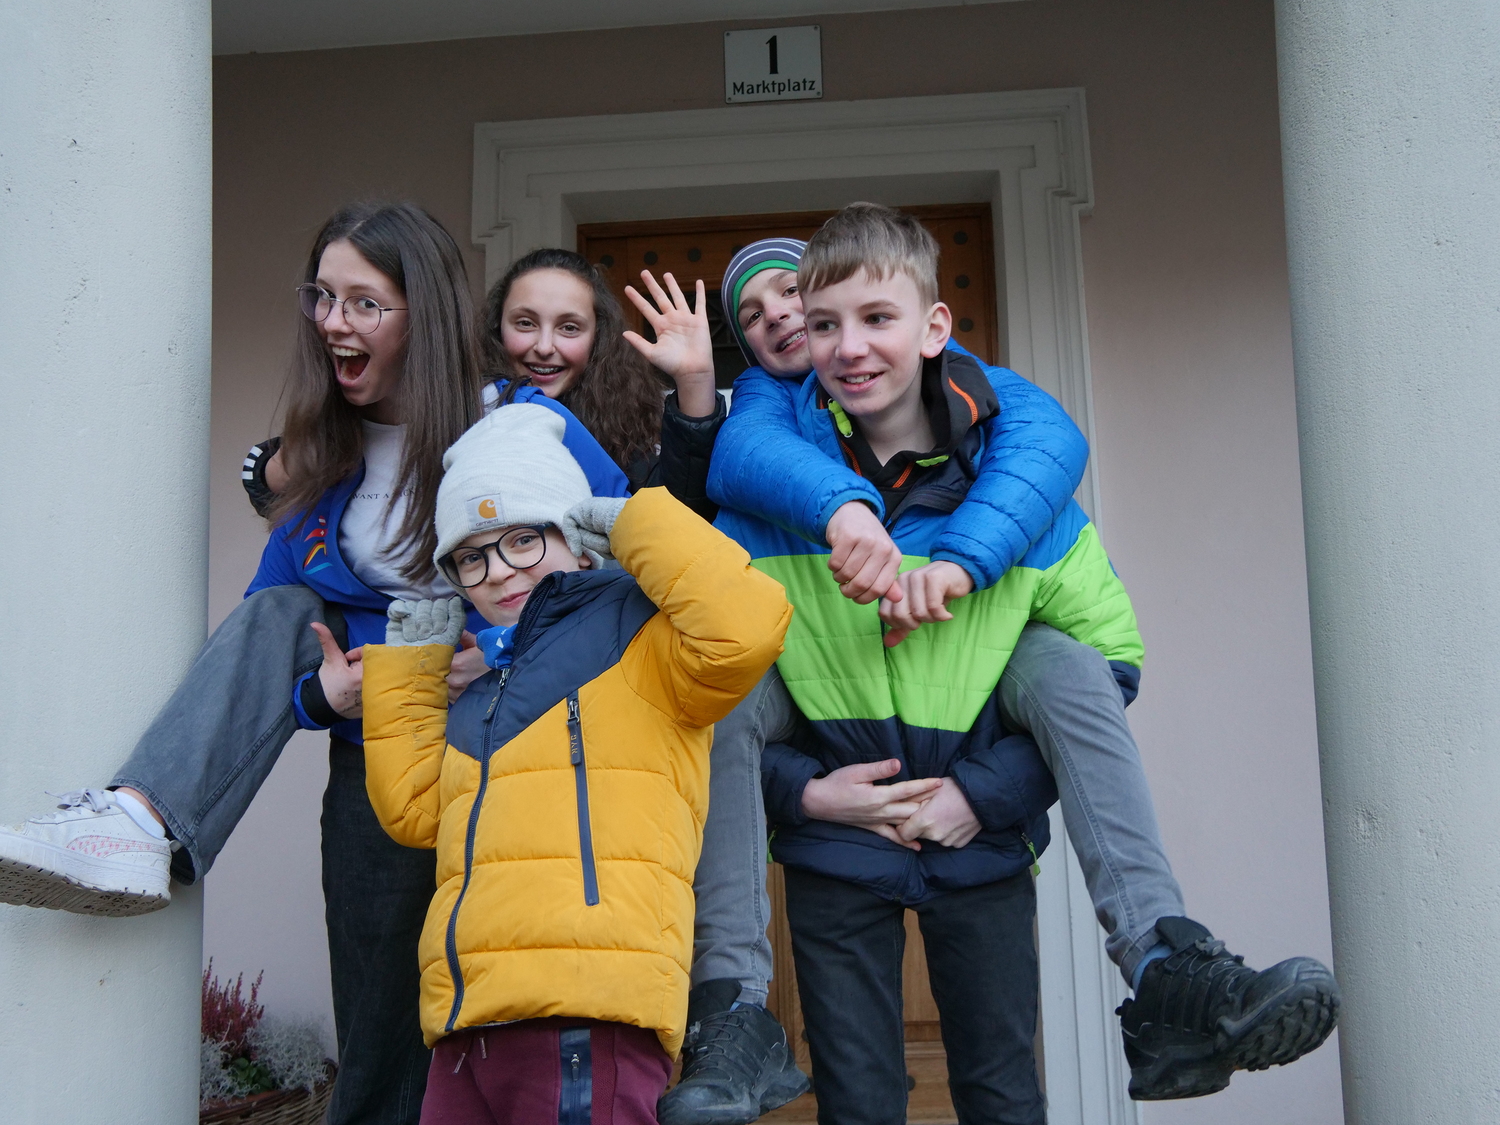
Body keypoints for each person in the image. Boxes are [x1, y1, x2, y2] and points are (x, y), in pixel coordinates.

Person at [0, 202, 630, 1125]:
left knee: (492, 1034)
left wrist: (496, 652)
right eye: (324, 298)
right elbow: (271, 633)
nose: (335, 321)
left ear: (424, 312)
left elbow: (625, 573)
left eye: (364, 302)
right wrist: (322, 696)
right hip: (375, 758)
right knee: (376, 1040)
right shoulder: (320, 460)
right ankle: (139, 819)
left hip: (510, 754)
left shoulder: (524, 425)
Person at [709, 205, 1340, 1108]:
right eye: (824, 325)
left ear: (934, 327)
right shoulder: (764, 484)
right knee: (859, 1099)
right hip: (839, 840)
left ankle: (1165, 969)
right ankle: (729, 1010)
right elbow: (709, 679)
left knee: (1003, 1090)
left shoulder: (1020, 481)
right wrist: (806, 794)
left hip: (979, 834)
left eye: (877, 318)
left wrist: (983, 794)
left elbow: (1111, 661)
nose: (850, 347)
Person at [351, 403, 791, 1125]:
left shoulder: (643, 636)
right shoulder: (486, 684)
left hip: (589, 1013)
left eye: (523, 539)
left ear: (578, 538)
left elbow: (747, 627)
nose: (500, 570)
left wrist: (639, 527)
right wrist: (409, 672)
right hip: (467, 1023)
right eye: (471, 556)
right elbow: (414, 809)